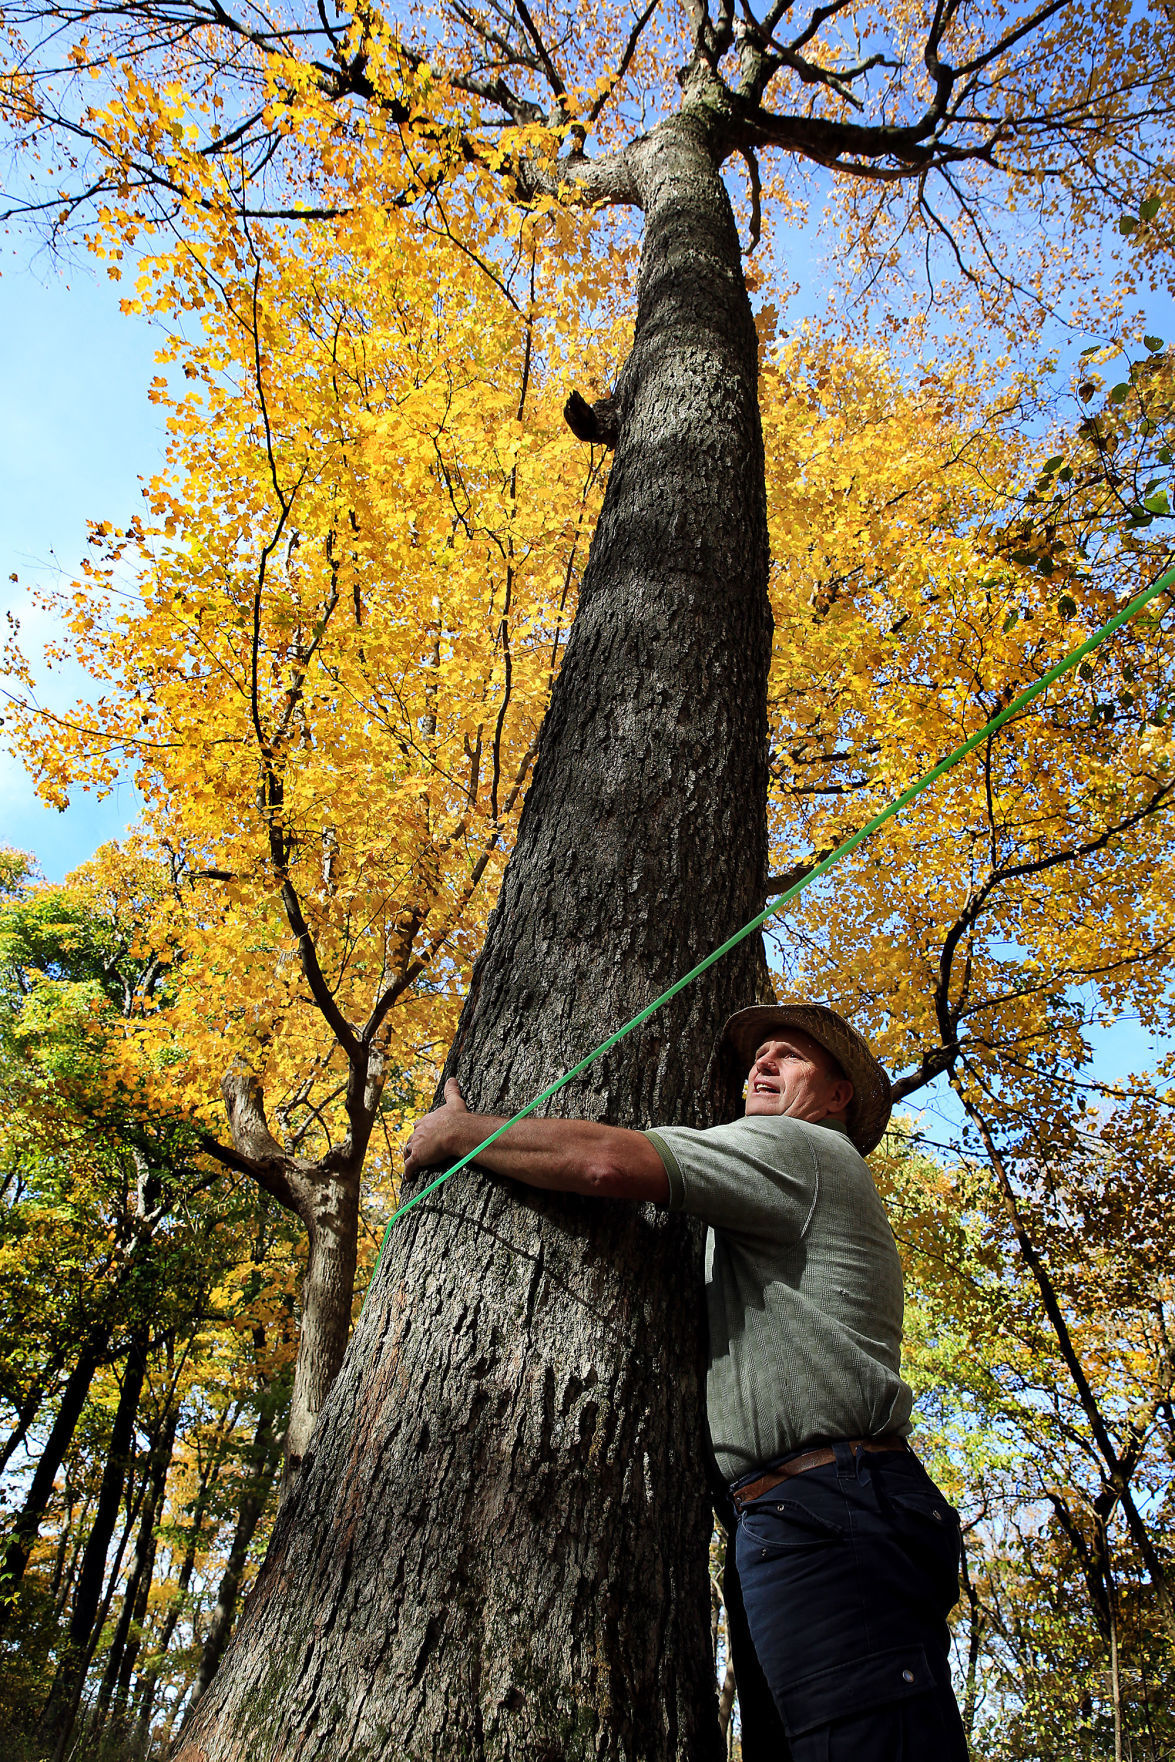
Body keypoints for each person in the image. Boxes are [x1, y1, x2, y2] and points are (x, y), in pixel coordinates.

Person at [404, 999, 969, 1760]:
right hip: (811, 1513)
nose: (760, 1065)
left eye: (788, 1056)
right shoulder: (772, 1183)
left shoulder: (797, 1146)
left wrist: (461, 1134)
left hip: (832, 1509)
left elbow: (608, 1162)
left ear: (837, 1097)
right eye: (756, 1057)